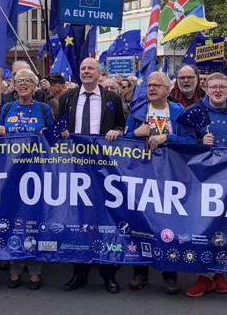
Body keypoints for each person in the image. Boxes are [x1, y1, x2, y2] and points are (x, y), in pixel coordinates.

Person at [180, 72, 227, 298]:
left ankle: (219, 274)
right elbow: (182, 142)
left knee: (225, 226)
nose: (218, 91)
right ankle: (202, 276)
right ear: (207, 89)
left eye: (223, 87)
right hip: (202, 178)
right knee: (202, 227)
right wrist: (199, 142)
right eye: (214, 87)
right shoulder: (194, 112)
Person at [57, 57, 126, 294]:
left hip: (104, 168)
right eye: (83, 68)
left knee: (106, 218)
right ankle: (79, 273)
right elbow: (59, 127)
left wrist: (117, 131)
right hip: (76, 167)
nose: (86, 71)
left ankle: (109, 275)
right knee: (79, 220)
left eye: (91, 68)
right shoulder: (67, 97)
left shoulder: (112, 98)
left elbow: (120, 126)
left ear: (99, 73)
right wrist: (63, 132)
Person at [120, 71, 190, 294]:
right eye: (149, 85)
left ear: (168, 90)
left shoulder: (178, 111)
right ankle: (140, 272)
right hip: (142, 176)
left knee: (168, 225)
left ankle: (170, 274)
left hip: (170, 177)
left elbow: (191, 141)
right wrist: (134, 133)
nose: (151, 89)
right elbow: (123, 141)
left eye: (156, 85)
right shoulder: (139, 110)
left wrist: (167, 138)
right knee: (142, 223)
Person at [0, 68, 53, 290]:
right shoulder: (8, 108)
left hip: (37, 173)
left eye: (28, 80)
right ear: (13, 85)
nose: (23, 84)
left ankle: (35, 270)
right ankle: (15, 268)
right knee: (13, 219)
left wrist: (49, 133)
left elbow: (54, 139)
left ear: (35, 85)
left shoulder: (44, 108)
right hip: (11, 173)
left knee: (34, 219)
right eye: (19, 81)